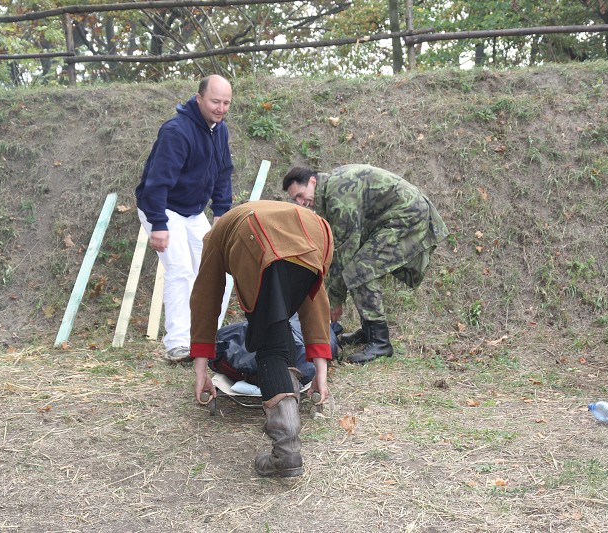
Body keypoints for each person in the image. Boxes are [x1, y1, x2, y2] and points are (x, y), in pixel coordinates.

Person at [190, 200, 334, 477]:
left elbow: (206, 297)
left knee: (270, 346)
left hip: (255, 236)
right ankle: (287, 433)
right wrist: (320, 370)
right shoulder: (280, 216)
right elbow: (315, 301)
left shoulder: (216, 235)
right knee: (278, 334)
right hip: (317, 232)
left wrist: (200, 368)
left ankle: (287, 450)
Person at [283, 164, 448, 364]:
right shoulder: (330, 190)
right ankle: (369, 330)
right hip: (394, 217)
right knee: (357, 267)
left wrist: (334, 301)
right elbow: (337, 249)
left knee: (360, 270)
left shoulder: (338, 196)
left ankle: (381, 342)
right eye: (295, 200)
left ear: (312, 181)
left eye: (301, 195)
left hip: (407, 216)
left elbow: (345, 250)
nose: (301, 203)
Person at [135, 75, 234, 363]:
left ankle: (205, 337)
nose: (221, 108)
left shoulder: (220, 130)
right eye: (215, 101)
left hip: (193, 211)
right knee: (180, 270)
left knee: (220, 270)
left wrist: (221, 213)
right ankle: (178, 344)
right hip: (163, 207)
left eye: (226, 103)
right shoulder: (176, 131)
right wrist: (158, 224)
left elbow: (223, 171)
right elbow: (157, 181)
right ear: (199, 98)